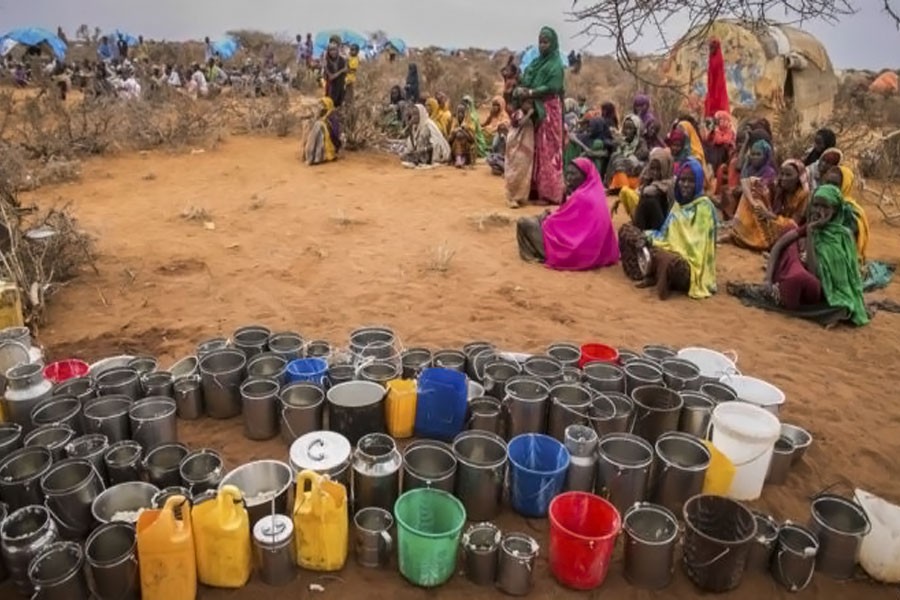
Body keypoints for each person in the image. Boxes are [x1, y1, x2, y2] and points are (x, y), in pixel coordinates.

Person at [727, 184, 869, 326]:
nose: (819, 211)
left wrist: (811, 233)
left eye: (825, 207)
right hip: (803, 282)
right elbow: (778, 246)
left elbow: (815, 273)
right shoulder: (809, 227)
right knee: (789, 232)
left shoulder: (844, 236)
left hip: (820, 291)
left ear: (835, 210)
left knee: (803, 279)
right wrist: (768, 280)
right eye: (816, 205)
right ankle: (781, 289)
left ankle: (783, 292)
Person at [619, 158, 717, 300]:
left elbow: (696, 248)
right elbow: (665, 234)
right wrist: (648, 237)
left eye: (691, 181)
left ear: (698, 183)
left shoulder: (704, 207)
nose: (685, 184)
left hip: (690, 264)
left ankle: (655, 273)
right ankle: (651, 273)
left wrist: (666, 249)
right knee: (628, 233)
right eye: (682, 180)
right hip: (668, 248)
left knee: (670, 261)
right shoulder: (678, 204)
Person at [516, 157, 620, 270]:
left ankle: (539, 255)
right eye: (568, 174)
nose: (569, 178)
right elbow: (569, 220)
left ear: (585, 175)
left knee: (524, 223)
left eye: (573, 174)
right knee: (540, 220)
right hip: (593, 250)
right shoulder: (596, 193)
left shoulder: (581, 196)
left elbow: (556, 223)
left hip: (577, 251)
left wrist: (545, 218)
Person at [510, 26, 566, 205]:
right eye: (540, 42)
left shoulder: (556, 65)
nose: (542, 45)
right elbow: (527, 77)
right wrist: (521, 85)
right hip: (534, 109)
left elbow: (552, 87)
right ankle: (533, 188)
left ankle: (550, 193)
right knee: (534, 148)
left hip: (549, 110)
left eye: (546, 42)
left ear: (553, 43)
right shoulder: (536, 62)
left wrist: (530, 92)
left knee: (547, 149)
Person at [726, 159, 810, 251]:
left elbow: (794, 223)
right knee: (753, 195)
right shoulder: (776, 184)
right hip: (771, 216)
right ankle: (740, 235)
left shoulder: (803, 194)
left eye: (788, 175)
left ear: (798, 178)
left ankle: (762, 243)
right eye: (782, 174)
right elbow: (746, 182)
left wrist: (770, 215)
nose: (784, 178)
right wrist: (754, 203)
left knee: (790, 226)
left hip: (784, 226)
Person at [614, 147, 674, 231]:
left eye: (658, 169)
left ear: (665, 167)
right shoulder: (648, 179)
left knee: (649, 200)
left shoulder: (669, 183)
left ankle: (639, 231)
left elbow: (647, 191)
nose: (655, 173)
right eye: (652, 168)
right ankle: (639, 231)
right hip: (648, 222)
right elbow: (640, 190)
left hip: (663, 226)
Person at [821, 165, 869, 263]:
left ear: (845, 186)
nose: (830, 187)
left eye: (835, 184)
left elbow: (845, 244)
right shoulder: (820, 203)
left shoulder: (850, 212)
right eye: (827, 182)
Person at [505, 100, 536, 207]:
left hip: (526, 148)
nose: (529, 105)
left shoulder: (529, 117)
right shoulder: (518, 113)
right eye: (527, 103)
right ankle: (511, 197)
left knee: (524, 172)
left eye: (531, 104)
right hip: (516, 147)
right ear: (522, 103)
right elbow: (519, 124)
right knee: (515, 171)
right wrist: (529, 114)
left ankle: (520, 196)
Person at [607, 114, 649, 190]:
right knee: (615, 156)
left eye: (630, 129)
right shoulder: (622, 141)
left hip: (636, 171)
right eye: (625, 128)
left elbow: (642, 155)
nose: (627, 131)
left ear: (636, 130)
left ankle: (622, 186)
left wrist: (627, 157)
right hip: (622, 169)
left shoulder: (640, 142)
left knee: (619, 162)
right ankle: (611, 183)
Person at [305, 97, 342, 165]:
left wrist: (324, 125)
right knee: (316, 126)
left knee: (319, 126)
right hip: (323, 134)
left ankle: (317, 157)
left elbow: (335, 133)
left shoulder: (333, 116)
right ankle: (312, 155)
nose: (322, 106)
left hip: (332, 142)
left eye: (324, 104)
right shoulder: (323, 113)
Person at [706, 111, 736, 179]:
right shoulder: (716, 129)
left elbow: (720, 141)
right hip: (716, 151)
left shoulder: (730, 130)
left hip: (726, 153)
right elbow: (708, 139)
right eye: (717, 120)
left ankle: (715, 171)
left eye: (720, 120)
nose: (719, 122)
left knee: (719, 149)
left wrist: (717, 132)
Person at [704, 38, 729, 118]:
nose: (711, 50)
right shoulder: (711, 58)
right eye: (710, 48)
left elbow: (719, 76)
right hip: (712, 88)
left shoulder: (718, 59)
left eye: (712, 47)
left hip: (717, 88)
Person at [450, 103, 478, 167]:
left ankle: (462, 159)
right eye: (459, 113)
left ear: (465, 114)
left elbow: (472, 140)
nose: (460, 115)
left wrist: (465, 130)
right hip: (456, 148)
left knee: (461, 136)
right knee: (458, 137)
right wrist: (455, 132)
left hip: (466, 147)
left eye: (462, 113)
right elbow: (450, 139)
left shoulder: (469, 123)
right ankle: (458, 158)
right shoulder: (454, 123)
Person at [323, 42, 348, 107]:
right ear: (328, 51)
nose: (333, 52)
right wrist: (341, 71)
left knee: (339, 105)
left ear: (337, 50)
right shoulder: (326, 62)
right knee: (330, 105)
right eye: (331, 50)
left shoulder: (342, 60)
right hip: (332, 88)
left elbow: (346, 72)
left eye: (334, 50)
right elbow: (331, 77)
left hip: (340, 87)